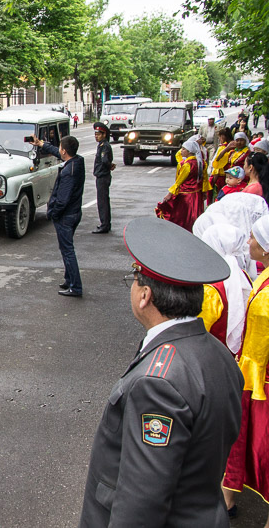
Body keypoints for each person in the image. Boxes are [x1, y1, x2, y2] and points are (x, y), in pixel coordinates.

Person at [78, 217, 243, 528]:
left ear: (145, 296)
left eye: (135, 279)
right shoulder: (217, 352)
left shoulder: (157, 384)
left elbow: (141, 501)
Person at [223, 215, 269, 525]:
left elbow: (256, 348)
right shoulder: (261, 278)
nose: (248, 242)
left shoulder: (266, 296)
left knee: (257, 446)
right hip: (254, 373)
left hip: (258, 380)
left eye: (254, 239)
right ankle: (226, 497)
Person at [33, 133, 85, 297]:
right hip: (75, 212)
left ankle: (75, 286)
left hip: (66, 216)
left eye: (60, 148)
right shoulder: (78, 161)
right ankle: (69, 280)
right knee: (66, 250)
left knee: (67, 251)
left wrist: (53, 213)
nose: (59, 150)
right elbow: (57, 151)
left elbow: (62, 199)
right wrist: (41, 145)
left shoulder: (68, 172)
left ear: (64, 151)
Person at [196, 223, 251, 353]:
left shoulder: (211, 289)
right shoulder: (242, 276)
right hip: (237, 354)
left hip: (213, 354)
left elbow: (198, 331)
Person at [155, 139, 209, 232]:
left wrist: (170, 194)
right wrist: (204, 192)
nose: (181, 151)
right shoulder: (201, 163)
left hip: (186, 195)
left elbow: (179, 181)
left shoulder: (187, 165)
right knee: (195, 215)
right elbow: (204, 179)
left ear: (189, 152)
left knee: (183, 216)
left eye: (183, 149)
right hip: (197, 194)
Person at [91, 122, 115, 234]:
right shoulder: (102, 145)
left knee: (102, 202)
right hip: (102, 176)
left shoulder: (104, 146)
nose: (96, 136)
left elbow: (104, 160)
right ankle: (105, 223)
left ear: (104, 134)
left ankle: (104, 225)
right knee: (103, 200)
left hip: (102, 176)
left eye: (98, 134)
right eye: (95, 134)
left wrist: (109, 165)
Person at [209, 128, 234, 204]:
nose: (219, 139)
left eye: (219, 137)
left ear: (222, 136)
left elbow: (218, 164)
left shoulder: (223, 148)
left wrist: (213, 179)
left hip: (221, 176)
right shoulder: (233, 147)